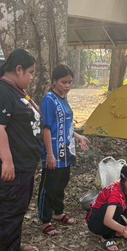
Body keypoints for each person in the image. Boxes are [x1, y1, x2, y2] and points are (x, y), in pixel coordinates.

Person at [0, 49, 42, 251]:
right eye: (30, 72)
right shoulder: (0, 92)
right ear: (18, 69)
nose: (32, 77)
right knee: (11, 206)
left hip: (24, 161)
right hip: (12, 162)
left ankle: (14, 244)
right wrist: (7, 161)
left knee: (20, 204)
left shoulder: (15, 90)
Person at [38, 64, 89, 236]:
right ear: (54, 82)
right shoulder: (49, 100)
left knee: (62, 182)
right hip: (53, 150)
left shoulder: (63, 99)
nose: (67, 86)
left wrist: (78, 137)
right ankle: (45, 220)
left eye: (70, 82)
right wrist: (49, 154)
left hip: (66, 150)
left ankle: (58, 213)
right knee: (49, 185)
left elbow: (65, 126)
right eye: (64, 82)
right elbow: (46, 128)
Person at [86, 163, 127, 251]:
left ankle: (117, 232)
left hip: (115, 216)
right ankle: (106, 237)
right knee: (117, 208)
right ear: (123, 182)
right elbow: (107, 220)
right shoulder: (115, 192)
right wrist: (123, 229)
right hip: (97, 221)